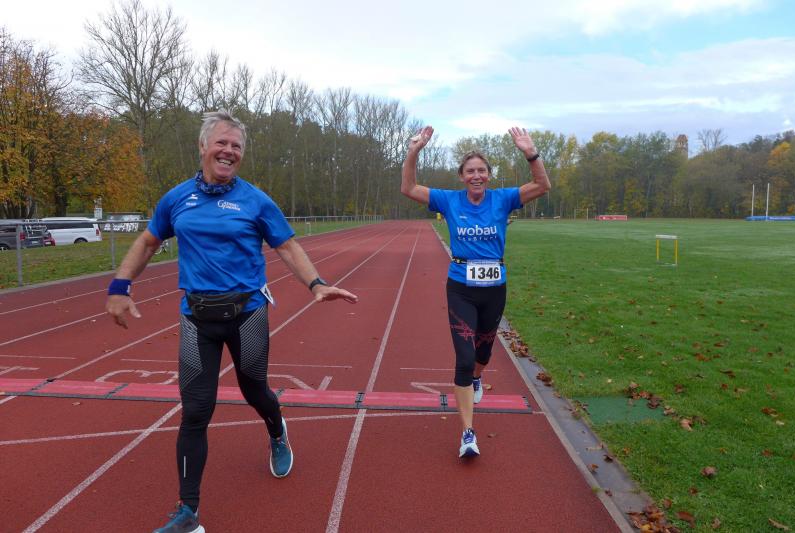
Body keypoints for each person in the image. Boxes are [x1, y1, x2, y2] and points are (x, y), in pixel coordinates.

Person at [106, 109, 358, 533]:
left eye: (236, 146)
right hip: (196, 318)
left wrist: (316, 284)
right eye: (221, 143)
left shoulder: (256, 200)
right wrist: (119, 285)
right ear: (203, 147)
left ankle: (276, 430)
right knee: (195, 410)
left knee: (254, 389)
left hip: (247, 314)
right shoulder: (177, 199)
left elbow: (287, 246)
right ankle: (188, 513)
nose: (228, 151)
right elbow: (148, 242)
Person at [401, 125, 550, 458]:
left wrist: (531, 153)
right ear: (462, 176)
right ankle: (468, 433)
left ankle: (478, 377)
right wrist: (413, 152)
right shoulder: (449, 200)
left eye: (482, 170)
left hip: (494, 288)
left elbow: (542, 185)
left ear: (489, 175)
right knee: (465, 359)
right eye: (470, 171)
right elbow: (408, 188)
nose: (477, 176)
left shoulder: (503, 199)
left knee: (483, 354)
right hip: (461, 288)